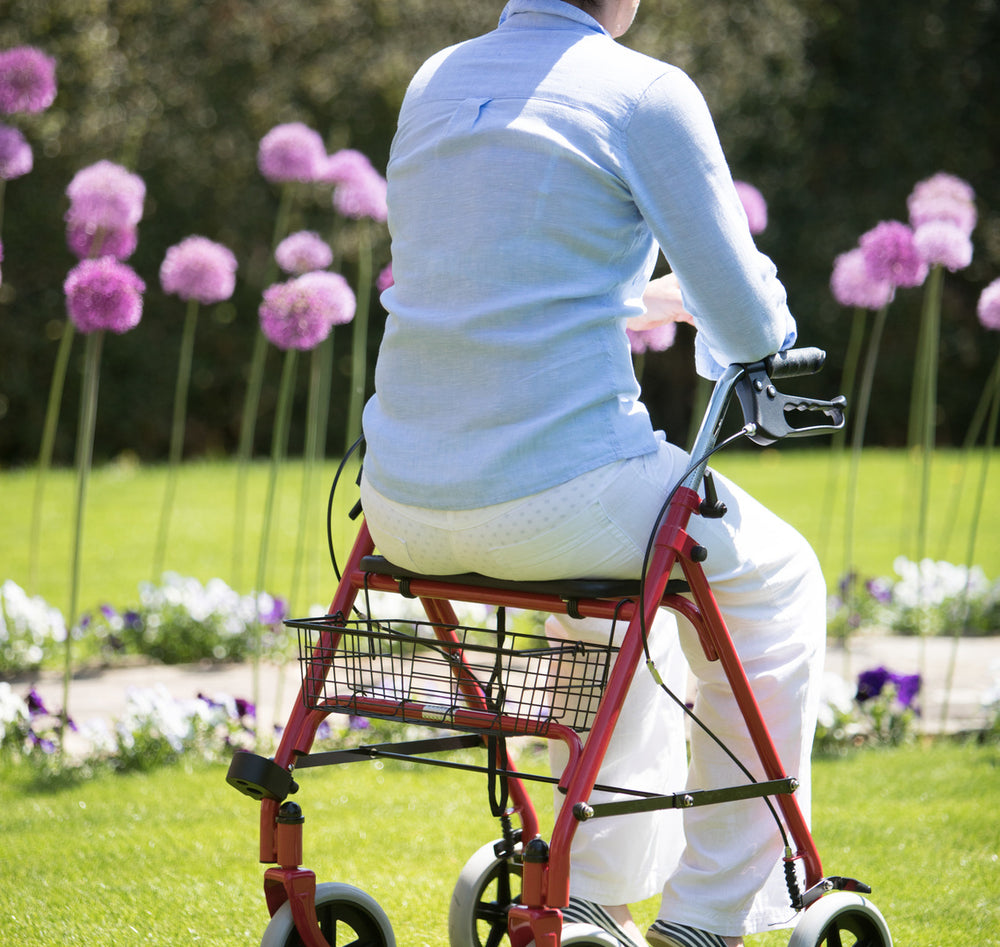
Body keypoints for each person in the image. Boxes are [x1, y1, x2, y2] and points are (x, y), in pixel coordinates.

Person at [359, 2, 827, 946]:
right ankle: (708, 913)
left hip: (401, 500)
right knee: (777, 577)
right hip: (560, 493)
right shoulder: (645, 92)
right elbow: (746, 320)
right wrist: (745, 330)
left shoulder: (435, 80)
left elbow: (491, 281)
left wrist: (634, 299)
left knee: (643, 604)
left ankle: (595, 894)